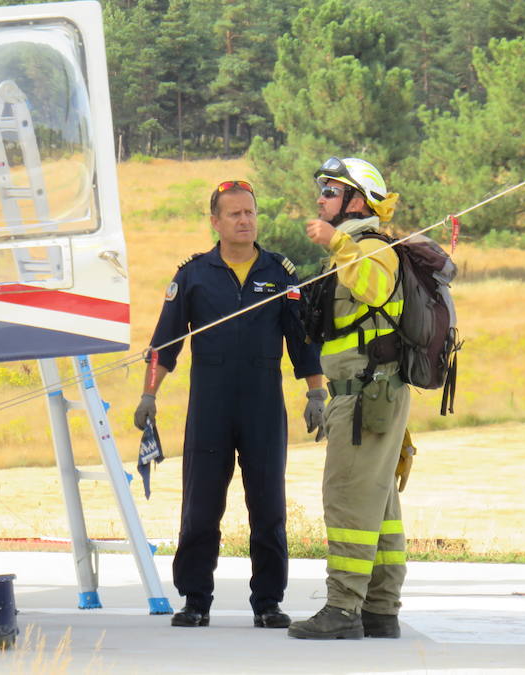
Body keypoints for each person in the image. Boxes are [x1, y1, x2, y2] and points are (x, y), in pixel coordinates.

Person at [133, 180, 325, 629]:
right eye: (234, 214)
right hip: (211, 407)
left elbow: (302, 340)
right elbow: (164, 343)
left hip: (262, 405)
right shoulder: (194, 275)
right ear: (215, 222)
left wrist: (316, 392)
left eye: (250, 212)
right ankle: (195, 600)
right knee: (200, 506)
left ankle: (268, 603)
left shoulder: (280, 273)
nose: (244, 220)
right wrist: (149, 393)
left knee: (268, 507)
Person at [287, 157, 409, 640]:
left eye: (330, 191)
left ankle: (342, 610)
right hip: (371, 395)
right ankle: (380, 609)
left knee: (348, 500)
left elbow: (376, 289)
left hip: (364, 398)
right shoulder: (359, 248)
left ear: (356, 201)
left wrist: (337, 242)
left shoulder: (373, 247)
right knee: (377, 506)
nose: (320, 198)